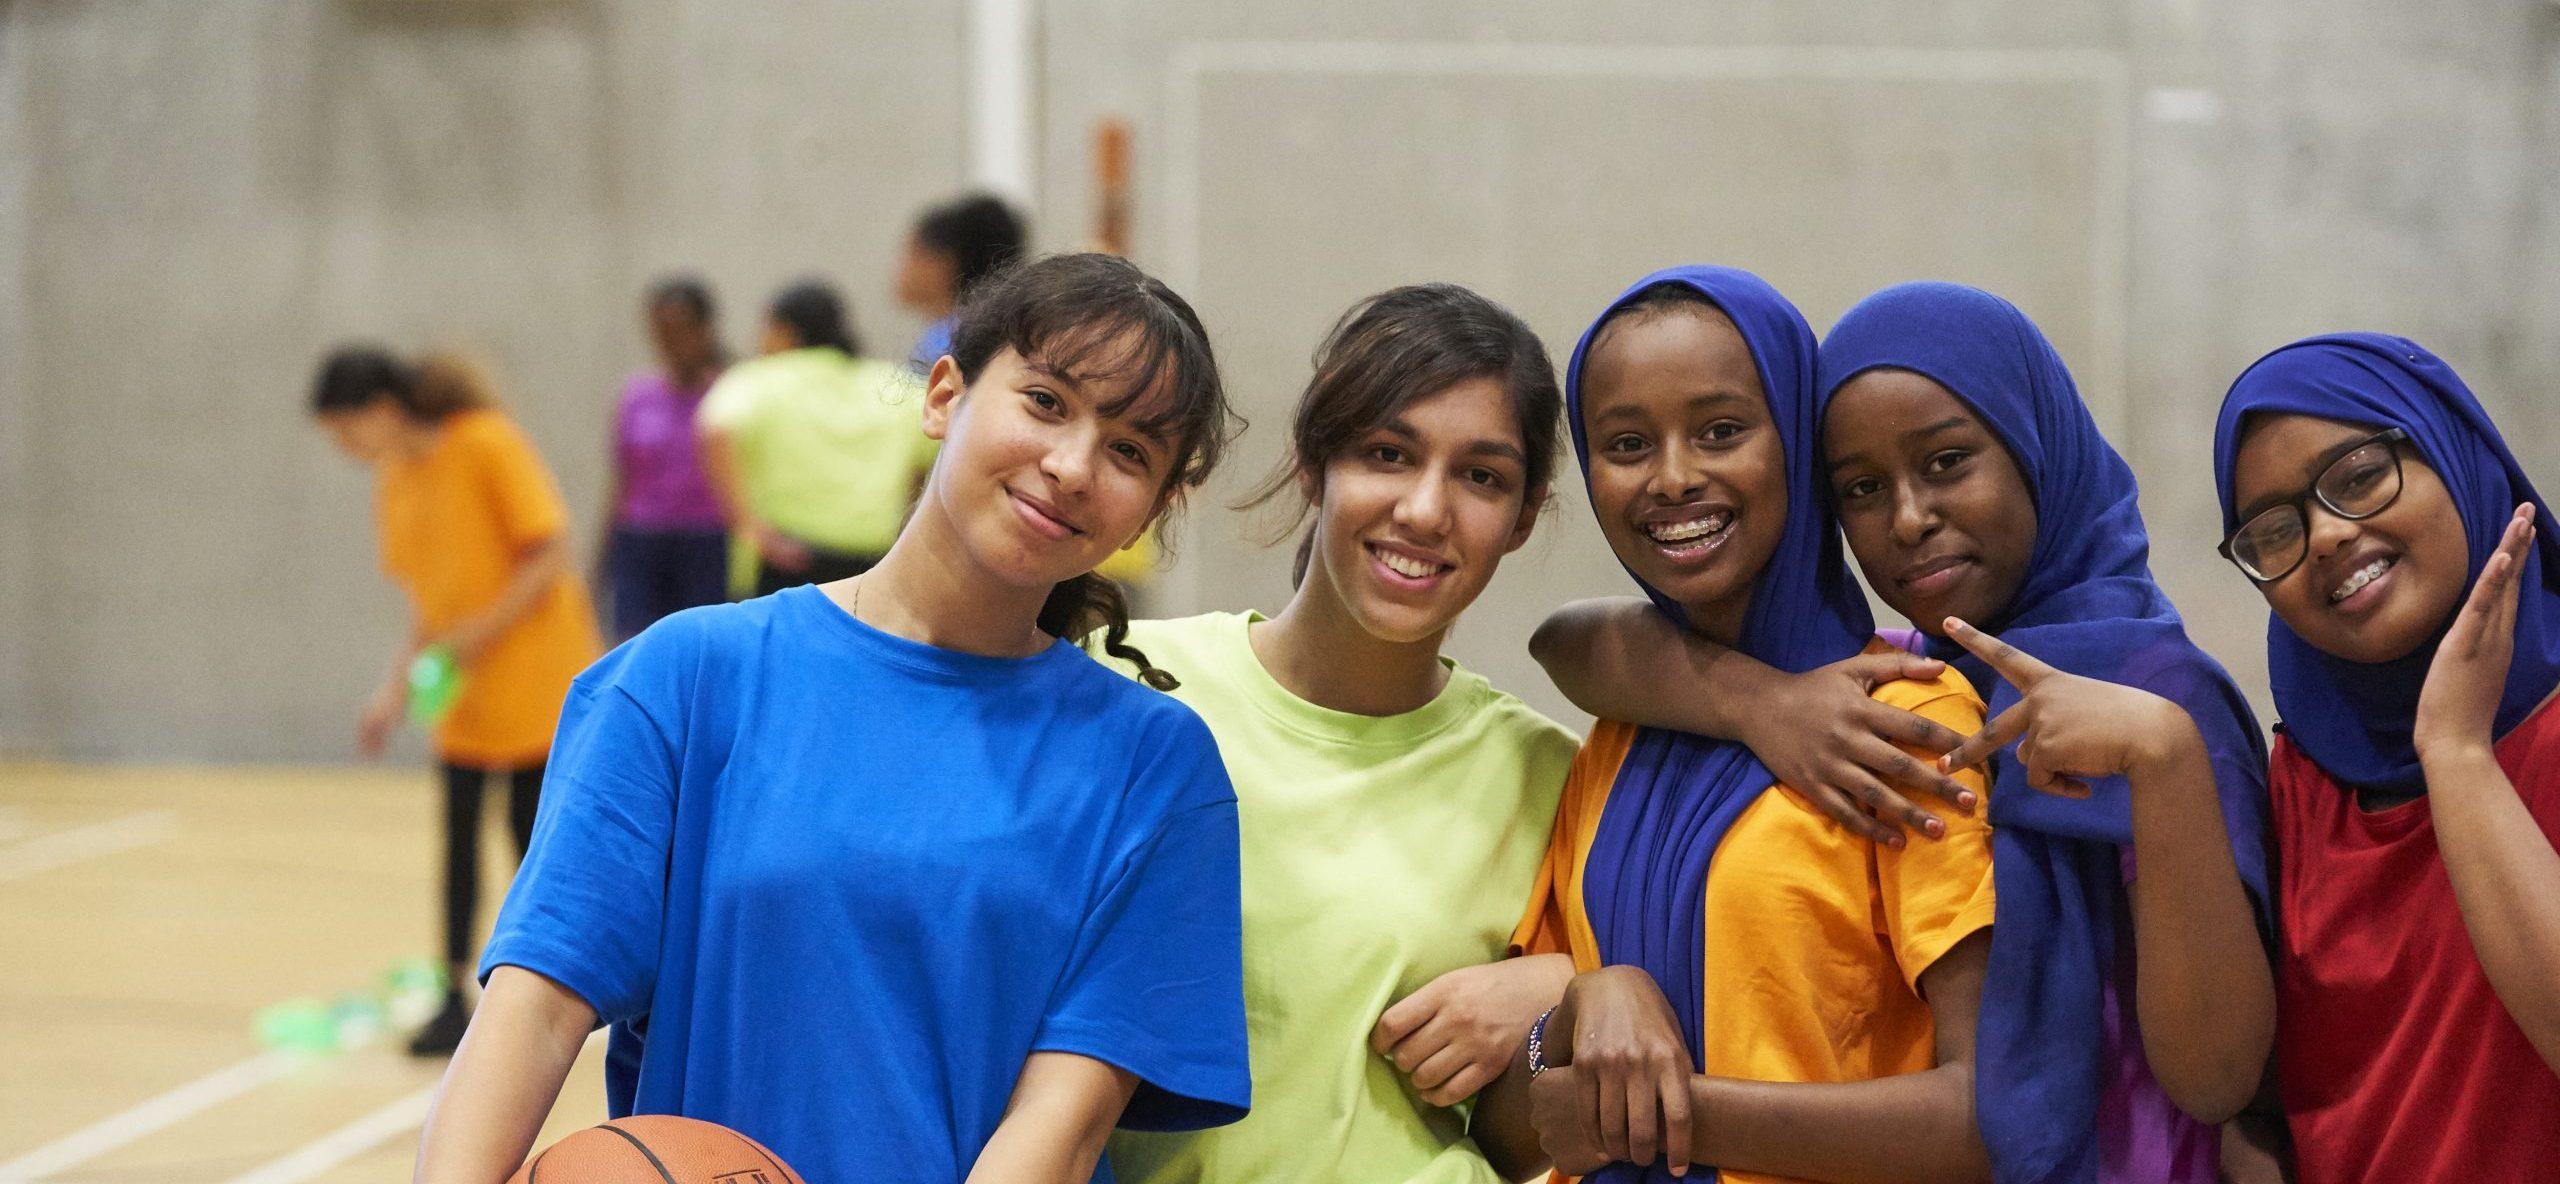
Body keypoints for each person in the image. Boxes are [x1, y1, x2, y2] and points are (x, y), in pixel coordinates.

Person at [410, 254, 1252, 1184]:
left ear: (1154, 507)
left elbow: (1064, 1126)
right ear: (944, 395)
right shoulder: (686, 679)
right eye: (1046, 402)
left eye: (1129, 451)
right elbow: (532, 1012)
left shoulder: (1156, 770)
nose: (1071, 465)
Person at [1533, 283, 2276, 1181]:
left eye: (1949, 462)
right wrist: (1758, 702)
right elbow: (1570, 642)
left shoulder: (2152, 692)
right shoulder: (1884, 681)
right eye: (1862, 488)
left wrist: (2160, 759)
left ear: (2035, 441)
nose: (1911, 519)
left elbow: (2219, 1080)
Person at [1474, 267, 1997, 1184]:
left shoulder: (1907, 722)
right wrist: (1588, 1005)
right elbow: (1520, 1132)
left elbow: (1983, 1118)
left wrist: (1671, 1116)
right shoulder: (1620, 738)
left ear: (1795, 441)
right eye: (1627, 443)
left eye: (1721, 431)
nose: (1673, 478)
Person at [1101, 284, 1578, 1184]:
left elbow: (1558, 1111)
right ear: (1315, 464)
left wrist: (1564, 993)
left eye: (1481, 476)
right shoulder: (1124, 680)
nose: (1426, 511)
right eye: (1388, 454)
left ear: (1521, 517)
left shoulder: (1551, 777)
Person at [2213, 334, 2560, 1184]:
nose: (2326, 535)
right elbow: (2244, 1103)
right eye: (2272, 531)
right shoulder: (2297, 781)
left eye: (2360, 476)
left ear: (2451, 452)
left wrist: (2456, 751)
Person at [308, 346, 601, 1056]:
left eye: (347, 431)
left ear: (381, 410)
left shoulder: (485, 443)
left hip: (539, 680)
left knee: (536, 847)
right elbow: (426, 602)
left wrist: (473, 637)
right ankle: (451, 995)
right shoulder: (395, 481)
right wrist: (394, 687)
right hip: (466, 699)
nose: (346, 449)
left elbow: (548, 553)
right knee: (460, 847)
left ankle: (557, 996)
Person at [696, 280, 936, 595]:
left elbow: (715, 428)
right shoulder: (894, 385)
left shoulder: (760, 377)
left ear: (784, 331)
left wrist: (749, 526)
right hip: (874, 557)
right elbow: (931, 442)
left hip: (785, 557)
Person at [598, 276, 731, 641]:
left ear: (705, 330)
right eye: (662, 332)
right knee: (635, 643)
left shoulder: (731, 393)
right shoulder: (637, 397)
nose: (673, 344)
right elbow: (622, 482)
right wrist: (602, 564)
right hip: (642, 543)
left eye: (682, 331)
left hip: (708, 543)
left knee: (701, 645)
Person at [899, 192, 1030, 373]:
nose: (901, 266)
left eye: (913, 253)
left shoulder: (948, 344)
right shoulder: (1003, 333)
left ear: (944, 262)